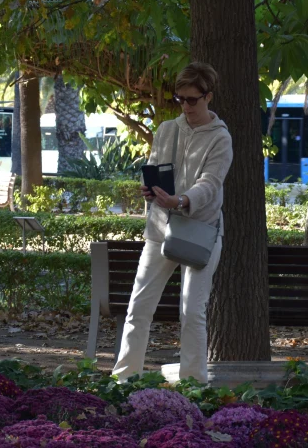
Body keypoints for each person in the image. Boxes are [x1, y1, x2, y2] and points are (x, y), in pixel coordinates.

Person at [112, 62, 233, 384]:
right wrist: (151, 190)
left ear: (208, 96)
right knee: (138, 307)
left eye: (192, 100)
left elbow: (210, 183)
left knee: (192, 312)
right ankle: (124, 380)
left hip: (200, 231)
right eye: (180, 99)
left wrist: (181, 200)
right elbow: (155, 166)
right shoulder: (167, 129)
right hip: (160, 229)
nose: (186, 106)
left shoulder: (221, 138)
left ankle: (195, 385)